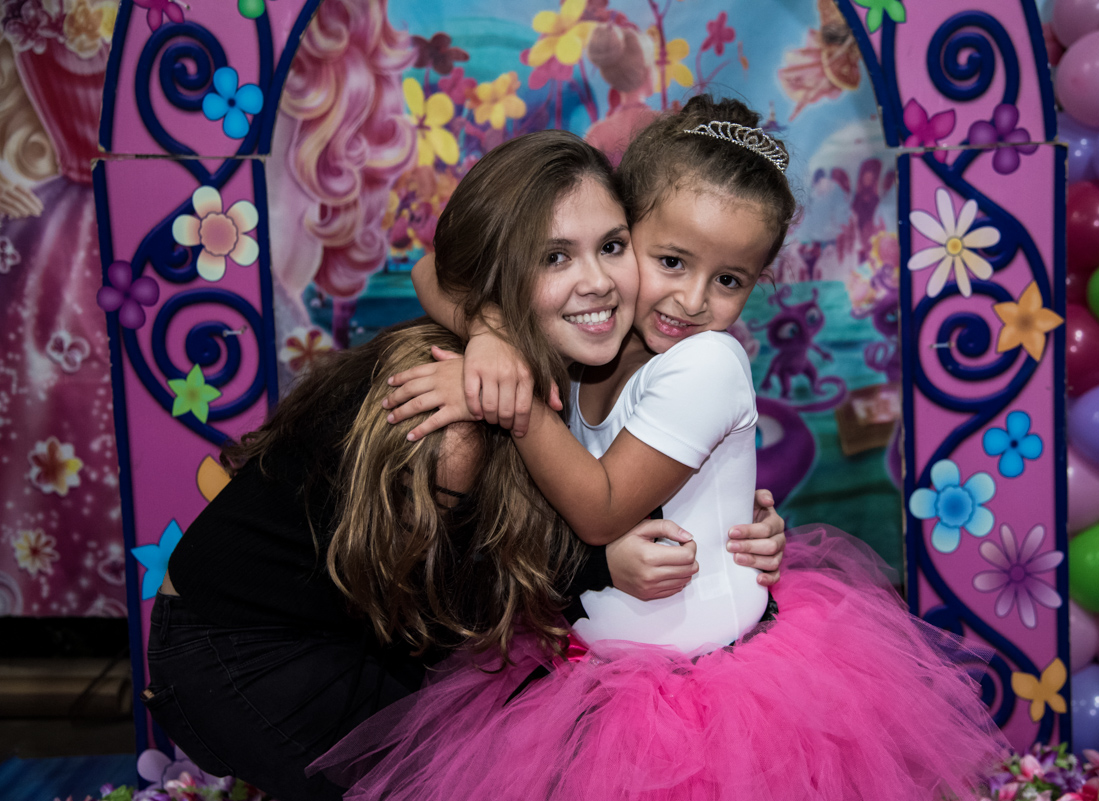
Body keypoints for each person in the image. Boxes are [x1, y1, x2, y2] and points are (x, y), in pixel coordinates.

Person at [319, 96, 1008, 800]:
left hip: (712, 691)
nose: (691, 300)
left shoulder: (705, 362)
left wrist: (515, 396)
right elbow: (432, 270)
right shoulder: (597, 338)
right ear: (620, 237)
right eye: (671, 260)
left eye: (729, 281)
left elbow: (599, 509)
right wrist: (494, 337)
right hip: (590, 665)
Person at [146, 129, 786, 801]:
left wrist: (731, 519)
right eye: (555, 256)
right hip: (245, 647)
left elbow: (438, 277)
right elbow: (457, 596)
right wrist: (596, 564)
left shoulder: (578, 348)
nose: (596, 280)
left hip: (377, 618)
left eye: (612, 246)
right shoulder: (456, 425)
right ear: (502, 269)